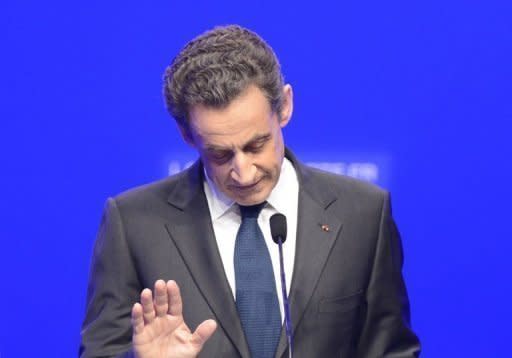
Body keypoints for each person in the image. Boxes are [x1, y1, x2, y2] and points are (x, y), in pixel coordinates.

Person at [80, 25, 421, 357]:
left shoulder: (362, 214)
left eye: (256, 144)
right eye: (220, 154)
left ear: (284, 106)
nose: (243, 173)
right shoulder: (134, 224)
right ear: (187, 136)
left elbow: (391, 351)